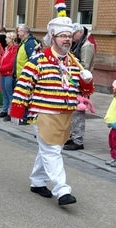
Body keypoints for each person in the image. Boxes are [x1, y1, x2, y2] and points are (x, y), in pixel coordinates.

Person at [9, 16, 94, 206]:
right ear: (53, 37)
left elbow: (81, 89)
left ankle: (38, 182)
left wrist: (86, 80)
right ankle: (62, 190)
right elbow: (24, 84)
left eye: (70, 36)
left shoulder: (73, 62)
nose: (67, 40)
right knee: (52, 150)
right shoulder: (39, 59)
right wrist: (17, 110)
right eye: (63, 36)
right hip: (44, 113)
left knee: (48, 150)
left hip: (65, 113)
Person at [64, 23, 96, 150]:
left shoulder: (86, 46)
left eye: (73, 35)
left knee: (78, 112)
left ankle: (78, 140)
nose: (71, 38)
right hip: (73, 81)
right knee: (72, 111)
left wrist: (71, 66)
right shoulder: (78, 44)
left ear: (80, 32)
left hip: (81, 83)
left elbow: (85, 66)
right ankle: (73, 136)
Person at [13, 24, 39, 124]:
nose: (18, 34)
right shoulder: (24, 43)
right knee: (22, 97)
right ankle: (22, 117)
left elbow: (33, 59)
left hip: (27, 77)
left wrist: (29, 75)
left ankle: (26, 118)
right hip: (21, 76)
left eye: (19, 31)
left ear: (24, 32)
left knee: (26, 97)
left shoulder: (30, 43)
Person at [0, 30, 18, 120]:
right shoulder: (7, 48)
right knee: (4, 93)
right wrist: (0, 66)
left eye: (7, 38)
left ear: (12, 39)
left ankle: (11, 112)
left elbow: (11, 63)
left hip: (9, 74)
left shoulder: (15, 49)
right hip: (3, 73)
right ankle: (4, 110)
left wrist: (1, 68)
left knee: (10, 94)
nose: (5, 39)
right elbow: (4, 59)